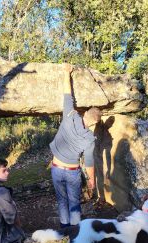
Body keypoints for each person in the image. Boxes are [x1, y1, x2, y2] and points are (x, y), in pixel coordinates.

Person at [49, 63, 102, 228]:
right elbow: (89, 163)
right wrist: (92, 182)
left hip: (57, 167)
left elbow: (67, 95)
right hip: (73, 172)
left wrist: (67, 73)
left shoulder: (70, 115)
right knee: (74, 200)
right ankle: (75, 228)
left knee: (61, 199)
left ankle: (64, 226)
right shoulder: (89, 139)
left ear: (85, 113)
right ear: (95, 123)